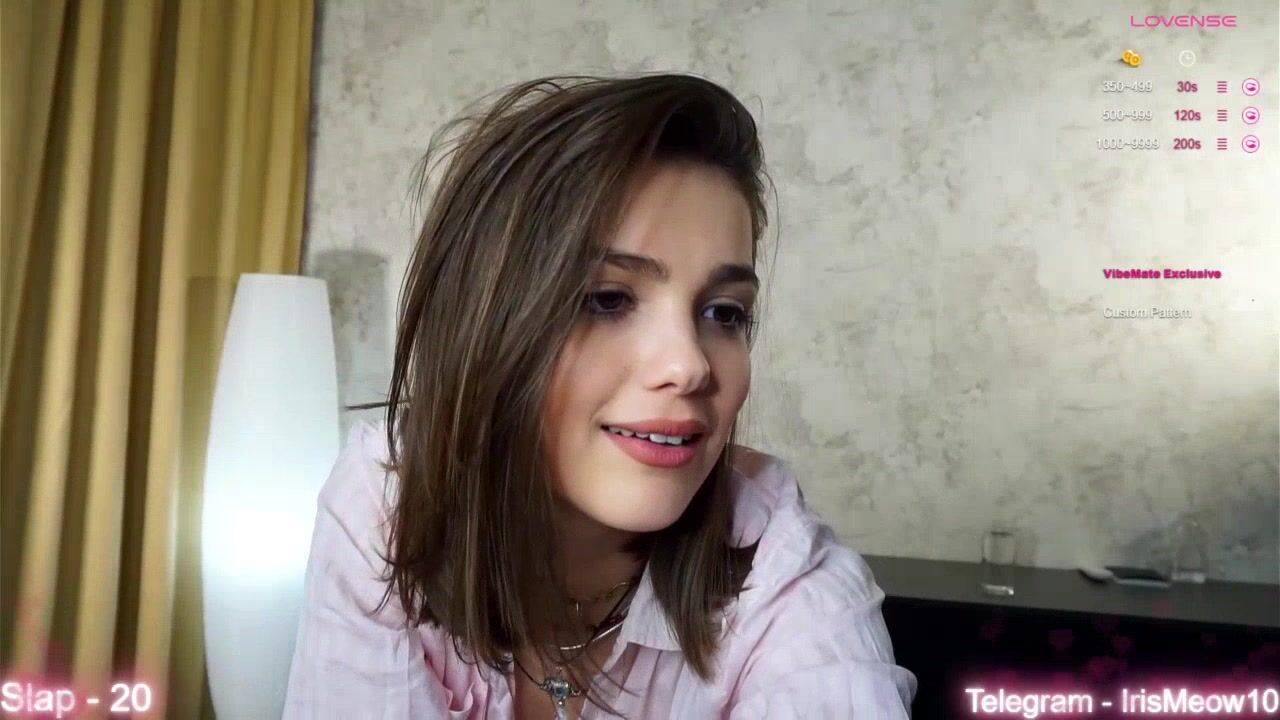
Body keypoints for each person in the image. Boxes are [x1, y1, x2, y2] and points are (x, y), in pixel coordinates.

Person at [282, 73, 917, 719]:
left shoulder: (782, 566)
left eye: (724, 313)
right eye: (607, 299)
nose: (689, 366)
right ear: (483, 324)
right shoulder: (386, 504)